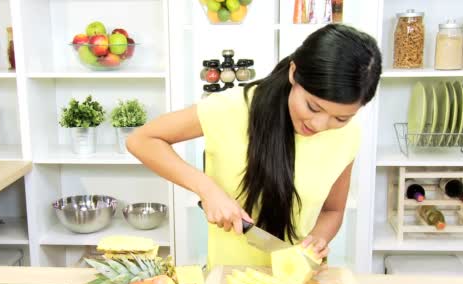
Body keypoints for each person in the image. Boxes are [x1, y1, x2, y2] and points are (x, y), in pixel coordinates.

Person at [127, 24, 382, 269]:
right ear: (294, 73)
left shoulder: (348, 135)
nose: (319, 124)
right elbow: (141, 140)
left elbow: (332, 210)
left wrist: (317, 240)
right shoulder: (231, 108)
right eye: (313, 107)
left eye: (340, 118)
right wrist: (207, 189)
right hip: (229, 281)